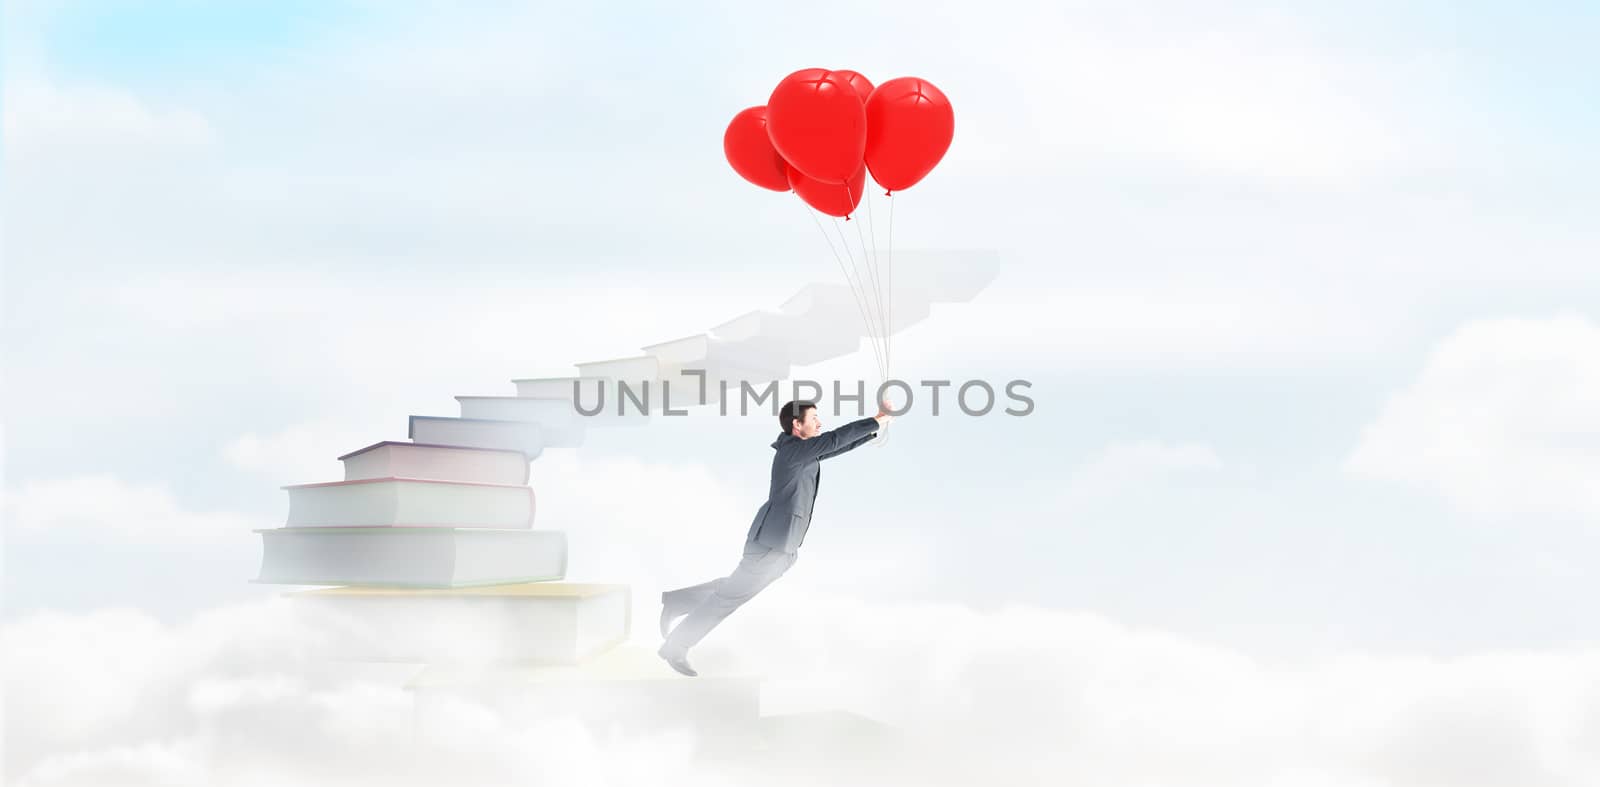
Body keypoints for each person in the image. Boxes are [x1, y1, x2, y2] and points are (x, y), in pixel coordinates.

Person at [656, 397, 895, 676]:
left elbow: (837, 446)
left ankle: (679, 602)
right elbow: (833, 440)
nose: (819, 422)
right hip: (771, 544)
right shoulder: (792, 452)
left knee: (735, 589)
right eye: (814, 418)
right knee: (730, 597)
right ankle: (676, 646)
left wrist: (874, 430)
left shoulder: (802, 452)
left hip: (782, 548)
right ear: (797, 424)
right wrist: (878, 418)